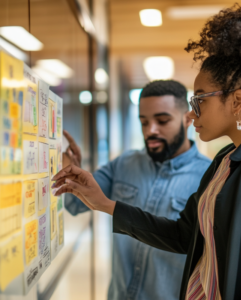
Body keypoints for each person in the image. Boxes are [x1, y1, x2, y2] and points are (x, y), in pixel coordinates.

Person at [52, 1, 241, 299]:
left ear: (236, 101)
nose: (192, 114)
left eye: (200, 100)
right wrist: (106, 204)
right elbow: (184, 235)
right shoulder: (225, 160)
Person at [62, 80, 211, 300]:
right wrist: (71, 171)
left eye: (162, 121)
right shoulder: (124, 164)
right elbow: (75, 205)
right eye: (144, 122)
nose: (151, 130)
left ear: (187, 119)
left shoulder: (208, 178)